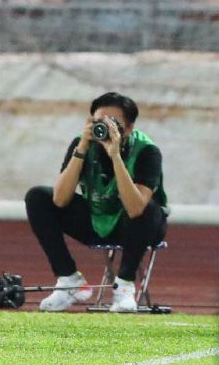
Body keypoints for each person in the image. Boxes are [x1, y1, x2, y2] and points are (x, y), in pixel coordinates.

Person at [24, 93, 168, 312]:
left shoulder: (147, 151)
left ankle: (124, 286)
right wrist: (82, 147)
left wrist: (115, 156)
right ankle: (69, 279)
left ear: (129, 128)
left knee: (148, 209)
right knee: (38, 197)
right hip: (96, 217)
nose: (106, 128)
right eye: (100, 121)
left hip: (137, 227)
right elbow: (60, 199)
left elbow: (135, 208)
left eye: (114, 123)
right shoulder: (82, 143)